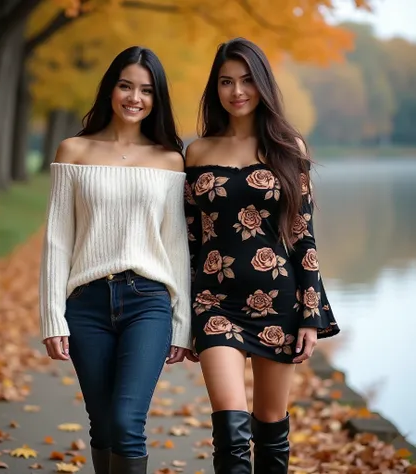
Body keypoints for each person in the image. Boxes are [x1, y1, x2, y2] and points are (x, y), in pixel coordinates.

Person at [184, 37, 340, 474]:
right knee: (230, 429)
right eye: (227, 81)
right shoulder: (196, 153)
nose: (237, 91)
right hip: (215, 305)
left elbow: (302, 235)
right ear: (214, 88)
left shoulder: (288, 147)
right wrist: (182, 314)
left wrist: (312, 314)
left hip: (279, 304)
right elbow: (190, 240)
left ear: (263, 85)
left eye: (248, 80)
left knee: (271, 427)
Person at [39, 46, 195, 474]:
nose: (134, 97)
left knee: (127, 422)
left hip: (147, 301)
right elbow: (58, 240)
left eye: (146, 90)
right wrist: (53, 316)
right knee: (103, 425)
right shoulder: (73, 151)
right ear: (110, 89)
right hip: (86, 304)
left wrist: (182, 323)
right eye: (126, 86)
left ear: (156, 98)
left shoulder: (169, 159)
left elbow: (176, 246)